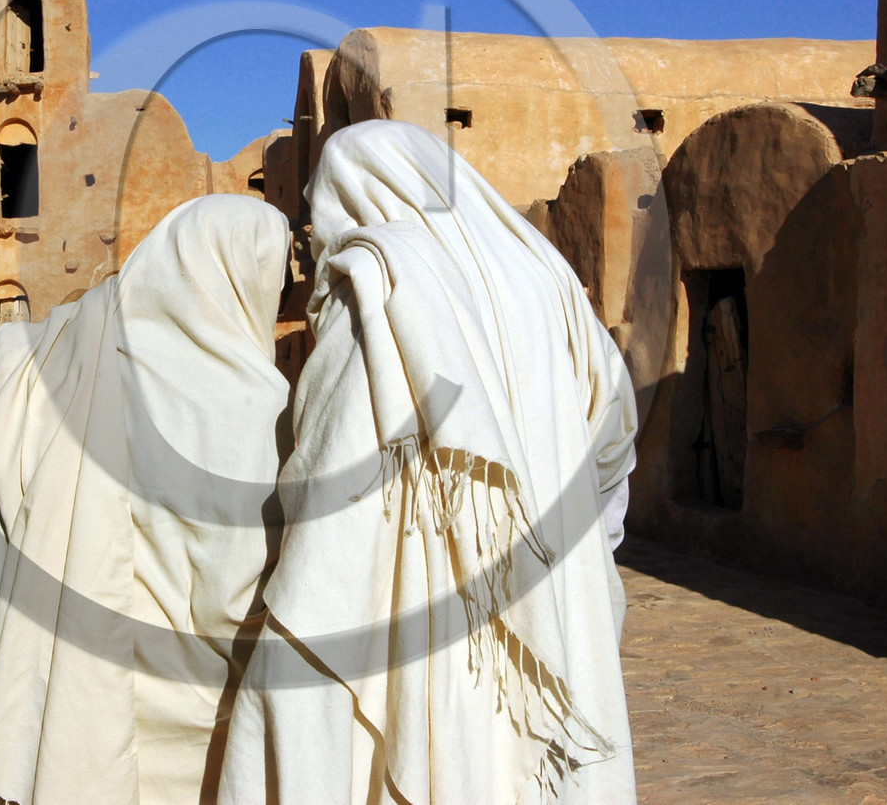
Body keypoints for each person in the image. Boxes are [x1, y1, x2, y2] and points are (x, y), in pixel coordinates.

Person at [218, 121, 638, 804]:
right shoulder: (545, 275)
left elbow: (335, 479)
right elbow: (613, 432)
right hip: (559, 590)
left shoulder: (380, 275)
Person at [0, 194, 293, 805]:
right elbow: (236, 599)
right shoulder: (256, 410)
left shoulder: (54, 358)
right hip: (187, 757)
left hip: (62, 707)